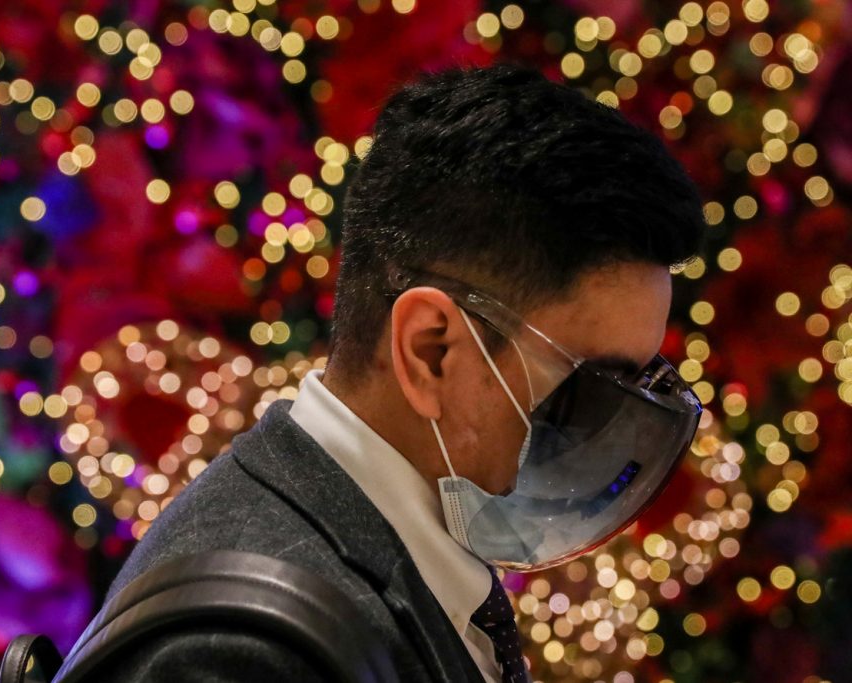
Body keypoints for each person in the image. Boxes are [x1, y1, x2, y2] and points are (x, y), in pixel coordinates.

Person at [98, 61, 707, 682]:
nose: (607, 437)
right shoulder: (242, 655)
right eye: (593, 390)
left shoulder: (376, 551)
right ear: (431, 349)